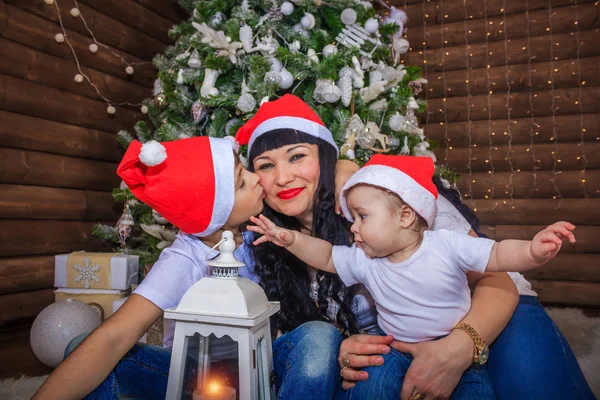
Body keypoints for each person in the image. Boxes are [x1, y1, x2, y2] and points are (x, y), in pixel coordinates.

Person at [237, 94, 595, 400]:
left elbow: (496, 276)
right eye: (265, 165)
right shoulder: (265, 241)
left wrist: (457, 348)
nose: (282, 177)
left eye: (298, 156)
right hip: (399, 343)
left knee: (531, 384)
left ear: (326, 157)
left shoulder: (385, 193)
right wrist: (340, 352)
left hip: (492, 305)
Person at [33, 136, 267, 399]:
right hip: (198, 379)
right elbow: (115, 336)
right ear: (215, 211)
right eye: (240, 182)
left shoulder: (259, 229)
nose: (257, 177)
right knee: (83, 347)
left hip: (259, 368)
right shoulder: (184, 259)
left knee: (315, 338)